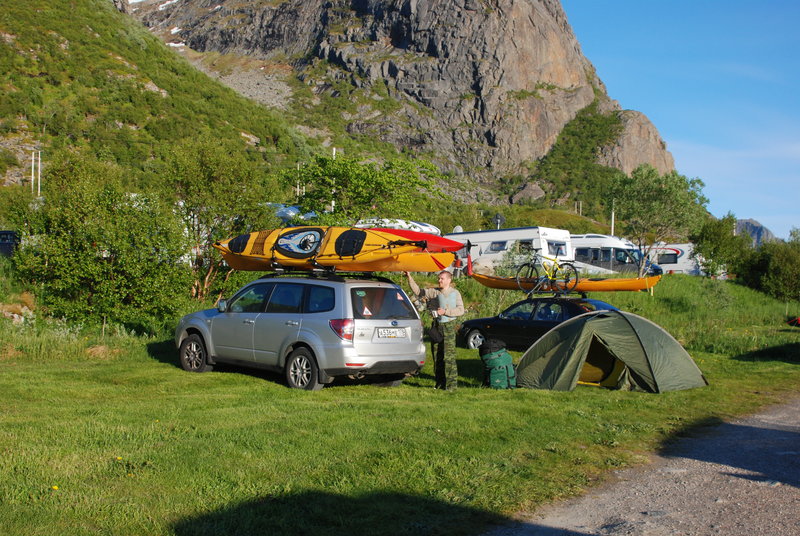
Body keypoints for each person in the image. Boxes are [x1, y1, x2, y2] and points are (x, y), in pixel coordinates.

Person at [405, 270, 465, 390]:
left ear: (449, 280)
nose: (439, 281)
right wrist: (409, 276)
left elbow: (461, 310)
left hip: (448, 326)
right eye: (439, 278)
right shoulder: (434, 292)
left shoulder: (455, 293)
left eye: (442, 279)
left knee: (448, 357)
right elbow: (418, 291)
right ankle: (439, 384)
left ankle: (451, 386)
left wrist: (446, 312)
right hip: (437, 326)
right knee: (437, 355)